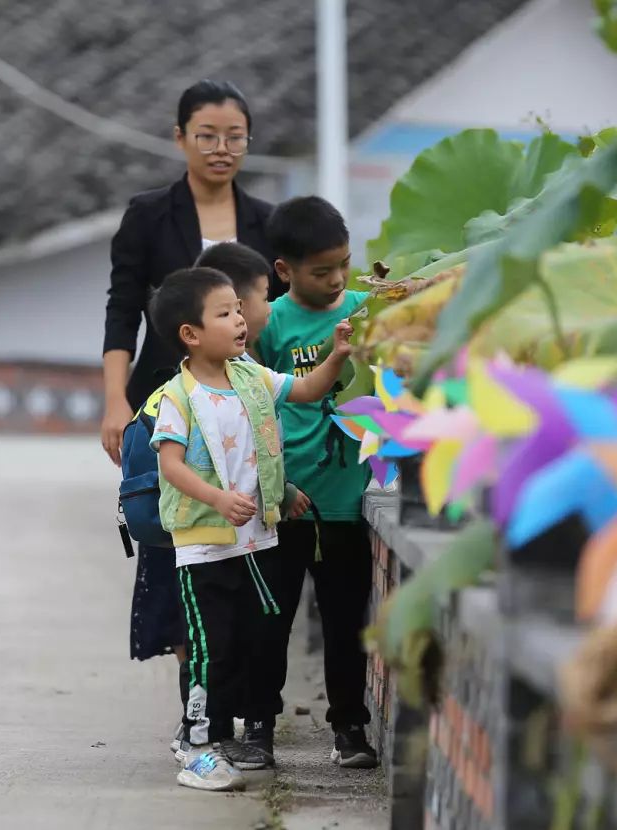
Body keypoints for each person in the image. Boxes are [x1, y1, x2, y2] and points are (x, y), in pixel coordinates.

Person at [100, 80, 275, 744]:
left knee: (242, 553)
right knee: (177, 547)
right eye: (206, 135)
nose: (221, 148)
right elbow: (121, 309)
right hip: (164, 401)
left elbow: (274, 317)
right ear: (179, 138)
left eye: (234, 136)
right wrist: (115, 399)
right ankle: (197, 708)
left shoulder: (265, 220)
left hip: (243, 406)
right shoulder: (149, 216)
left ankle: (244, 707)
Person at [148, 266, 352, 791]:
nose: (241, 321)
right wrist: (217, 499)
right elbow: (170, 464)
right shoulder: (178, 395)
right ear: (190, 334)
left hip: (251, 542)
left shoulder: (252, 376)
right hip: (203, 547)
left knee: (239, 644)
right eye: (225, 313)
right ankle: (197, 748)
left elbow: (305, 390)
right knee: (209, 648)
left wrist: (336, 357)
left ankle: (214, 738)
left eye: (240, 309)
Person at [254, 196, 379, 770]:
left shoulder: (364, 311)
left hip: (346, 501)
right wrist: (270, 484)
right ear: (284, 270)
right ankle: (257, 724)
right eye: (320, 271)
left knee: (347, 620)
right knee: (270, 619)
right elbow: (250, 408)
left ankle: (350, 728)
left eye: (343, 266)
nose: (336, 281)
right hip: (281, 503)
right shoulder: (266, 323)